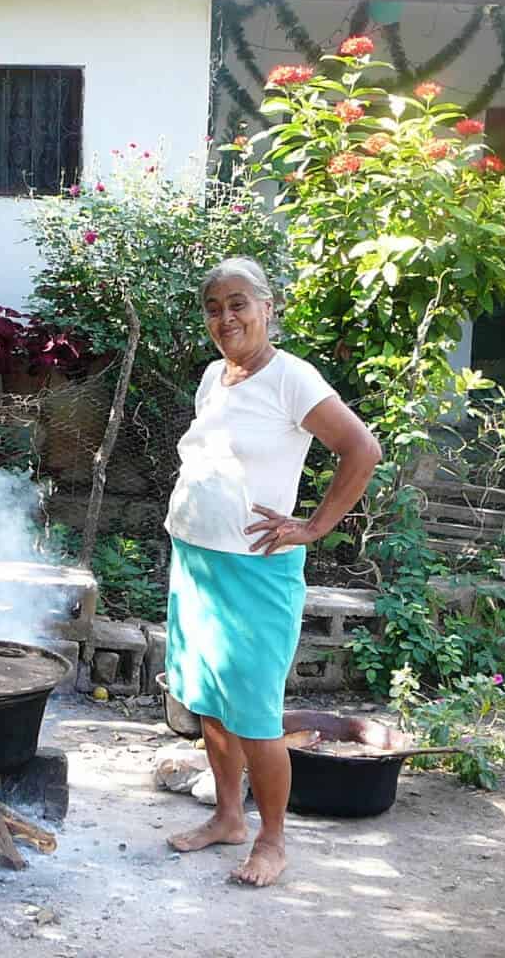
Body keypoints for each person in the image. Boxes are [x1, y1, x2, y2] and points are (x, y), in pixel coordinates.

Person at [163, 256, 381, 887]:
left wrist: (313, 526)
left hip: (257, 571)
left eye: (238, 304)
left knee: (256, 714)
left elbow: (361, 449)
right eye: (214, 307)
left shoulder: (292, 378)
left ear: (267, 308)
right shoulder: (214, 377)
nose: (225, 317)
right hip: (198, 560)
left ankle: (273, 841)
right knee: (209, 700)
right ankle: (228, 817)